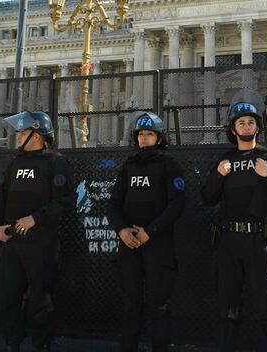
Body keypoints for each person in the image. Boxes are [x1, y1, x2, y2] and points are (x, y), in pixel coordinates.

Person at [200, 89, 267, 351]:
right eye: (241, 122)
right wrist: (219, 176)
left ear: (258, 127)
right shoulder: (224, 160)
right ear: (233, 128)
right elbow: (207, 197)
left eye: (251, 121)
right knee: (227, 308)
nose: (246, 125)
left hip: (260, 241)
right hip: (229, 241)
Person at [0, 111, 75, 352]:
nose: (19, 137)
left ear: (37, 136)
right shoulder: (15, 163)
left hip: (41, 244)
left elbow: (66, 201)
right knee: (7, 297)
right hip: (12, 244)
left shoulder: (56, 162)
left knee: (40, 299)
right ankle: (12, 342)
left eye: (24, 133)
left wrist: (35, 219)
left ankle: (41, 344)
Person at [107, 111, 185, 352]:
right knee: (131, 305)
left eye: (149, 134)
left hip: (157, 246)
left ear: (159, 138)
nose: (144, 139)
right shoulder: (128, 166)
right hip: (129, 246)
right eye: (140, 134)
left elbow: (177, 205)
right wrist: (121, 230)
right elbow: (113, 203)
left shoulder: (169, 166)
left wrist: (149, 232)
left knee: (157, 305)